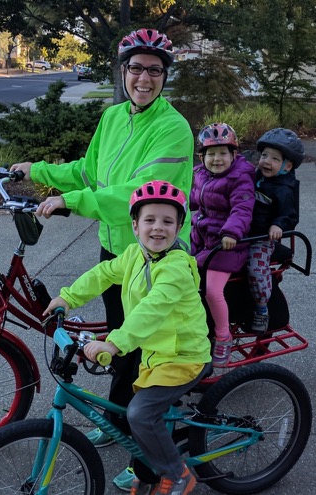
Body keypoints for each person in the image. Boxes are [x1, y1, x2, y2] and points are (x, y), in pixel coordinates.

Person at [11, 27, 194, 489]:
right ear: (124, 71)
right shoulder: (113, 116)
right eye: (136, 68)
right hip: (118, 247)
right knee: (121, 339)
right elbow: (88, 171)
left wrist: (73, 201)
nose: (144, 78)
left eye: (155, 70)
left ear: (164, 76)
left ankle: (152, 452)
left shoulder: (173, 128)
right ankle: (123, 424)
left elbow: (142, 196)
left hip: (158, 251)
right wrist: (40, 171)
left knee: (144, 345)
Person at [44, 181, 211, 495]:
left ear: (179, 227)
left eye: (167, 221)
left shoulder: (175, 268)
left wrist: (114, 343)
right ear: (135, 226)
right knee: (138, 412)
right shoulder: (136, 254)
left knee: (140, 413)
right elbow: (104, 272)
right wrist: (67, 298)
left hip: (182, 357)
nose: (157, 228)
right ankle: (149, 472)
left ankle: (177, 475)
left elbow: (151, 309)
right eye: (149, 220)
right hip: (154, 353)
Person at [190, 123, 255, 367]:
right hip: (201, 240)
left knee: (211, 291)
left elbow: (243, 208)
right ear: (202, 157)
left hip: (227, 247)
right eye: (211, 154)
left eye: (223, 153)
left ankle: (223, 336)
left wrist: (231, 232)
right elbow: (192, 201)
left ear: (234, 155)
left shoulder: (240, 177)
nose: (217, 159)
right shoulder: (201, 174)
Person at [247, 128, 304, 334]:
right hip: (242, 232)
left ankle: (262, 309)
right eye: (264, 155)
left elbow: (290, 215)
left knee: (256, 269)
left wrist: (278, 225)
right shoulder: (255, 177)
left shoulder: (283, 190)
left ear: (287, 166)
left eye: (274, 158)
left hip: (262, 239)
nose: (266, 161)